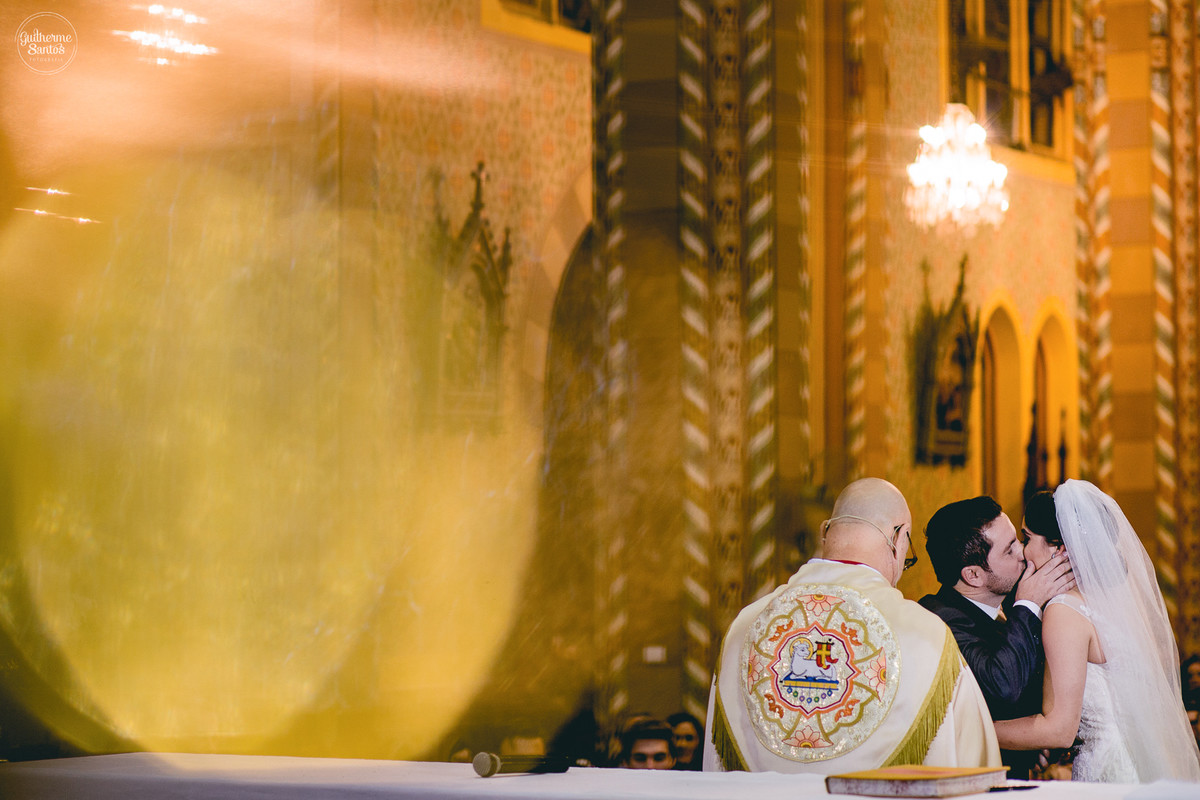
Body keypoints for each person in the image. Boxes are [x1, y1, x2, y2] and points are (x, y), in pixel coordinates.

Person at [703, 477, 999, 773]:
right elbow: (969, 763)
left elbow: (718, 765)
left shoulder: (743, 627)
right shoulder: (924, 634)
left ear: (824, 532)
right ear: (899, 538)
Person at [992, 480, 1200, 782]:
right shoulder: (1108, 604)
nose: (1023, 552)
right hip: (1139, 760)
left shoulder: (1064, 611)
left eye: (1027, 538)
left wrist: (976, 726)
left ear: (1059, 549)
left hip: (1109, 770)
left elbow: (1059, 729)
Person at [918, 495, 1074, 778]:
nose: (1023, 554)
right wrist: (1028, 605)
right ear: (973, 575)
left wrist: (1031, 744)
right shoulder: (938, 620)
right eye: (1009, 549)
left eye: (1019, 540)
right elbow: (1003, 685)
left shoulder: (1005, 604)